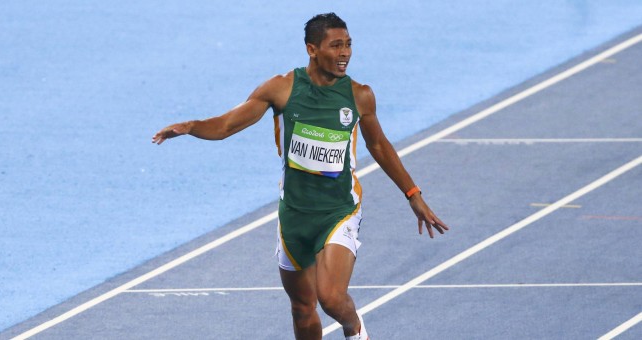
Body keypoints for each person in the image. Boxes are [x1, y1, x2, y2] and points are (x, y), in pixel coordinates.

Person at [152, 12, 449, 340]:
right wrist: (190, 127)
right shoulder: (280, 90)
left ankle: (355, 329)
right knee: (302, 307)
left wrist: (413, 194)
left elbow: (378, 145)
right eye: (336, 46)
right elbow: (225, 126)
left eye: (348, 45)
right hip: (294, 216)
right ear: (312, 49)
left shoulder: (359, 95)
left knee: (331, 298)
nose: (345, 53)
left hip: (339, 211)